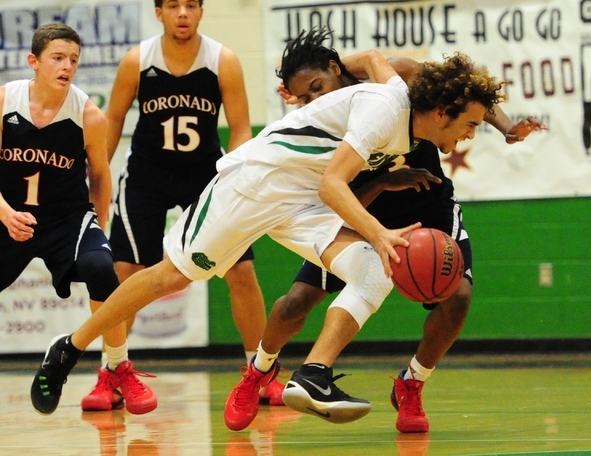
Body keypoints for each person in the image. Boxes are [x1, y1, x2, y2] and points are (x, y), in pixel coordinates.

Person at [30, 43, 504, 426]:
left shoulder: (408, 110)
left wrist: (501, 122)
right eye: (470, 123)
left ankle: (313, 374)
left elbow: (380, 75)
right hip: (254, 186)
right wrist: (378, 231)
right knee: (168, 278)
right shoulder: (386, 108)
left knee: (377, 270)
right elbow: (333, 183)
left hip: (303, 202)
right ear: (442, 112)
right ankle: (69, 347)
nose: (470, 133)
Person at [224, 28, 546, 432]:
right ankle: (259, 370)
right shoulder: (319, 123)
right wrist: (380, 183)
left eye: (318, 88)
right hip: (362, 208)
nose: (313, 102)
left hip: (425, 197)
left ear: (335, 69)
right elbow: (333, 195)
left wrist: (507, 127)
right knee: (296, 302)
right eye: (304, 98)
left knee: (458, 296)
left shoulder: (394, 78)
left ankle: (412, 383)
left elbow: (462, 90)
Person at [81, 0, 285, 409]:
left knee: (242, 271)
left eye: (191, 5)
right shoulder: (137, 61)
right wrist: (96, 179)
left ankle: (261, 372)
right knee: (126, 271)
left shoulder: (222, 60)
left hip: (204, 177)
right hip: (146, 176)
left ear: (201, 11)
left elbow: (241, 126)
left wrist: (232, 176)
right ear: (159, 12)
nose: (182, 13)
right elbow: (113, 121)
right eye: (173, 5)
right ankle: (112, 371)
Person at [0, 23, 155, 416]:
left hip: (66, 218)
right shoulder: (4, 101)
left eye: (73, 59)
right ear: (33, 62)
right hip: (8, 212)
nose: (66, 66)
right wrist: (4, 213)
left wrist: (97, 223)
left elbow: (100, 176)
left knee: (102, 268)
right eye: (57, 58)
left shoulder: (89, 114)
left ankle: (118, 364)